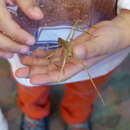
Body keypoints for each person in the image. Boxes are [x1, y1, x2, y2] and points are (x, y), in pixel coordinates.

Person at [0, 0, 130, 130]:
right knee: (32, 91)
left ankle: (77, 117)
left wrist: (126, 23)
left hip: (99, 55)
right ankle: (34, 114)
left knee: (84, 93)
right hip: (30, 50)